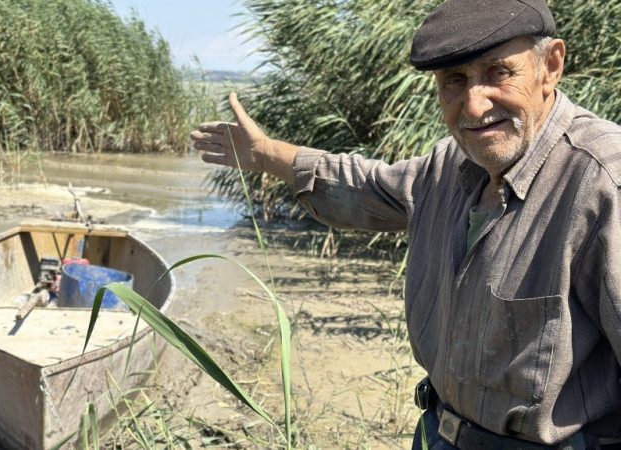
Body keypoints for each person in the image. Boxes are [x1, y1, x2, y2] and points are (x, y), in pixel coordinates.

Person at [190, 0, 621, 448]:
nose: (474, 106)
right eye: (454, 80)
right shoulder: (451, 164)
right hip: (438, 432)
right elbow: (367, 188)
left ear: (549, 66)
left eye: (498, 73)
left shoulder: (602, 180)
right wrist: (265, 154)